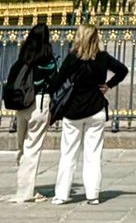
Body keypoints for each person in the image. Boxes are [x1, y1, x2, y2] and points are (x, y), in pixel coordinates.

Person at [49, 24, 127, 207]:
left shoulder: (73, 58)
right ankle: (93, 194)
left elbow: (57, 82)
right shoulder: (102, 57)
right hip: (96, 108)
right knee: (93, 154)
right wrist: (109, 85)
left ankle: (62, 194)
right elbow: (123, 70)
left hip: (74, 110)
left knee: (69, 154)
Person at [6, 20, 57, 203]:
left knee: (22, 146)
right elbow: (54, 80)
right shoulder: (47, 58)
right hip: (40, 102)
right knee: (32, 147)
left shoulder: (23, 56)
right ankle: (26, 191)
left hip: (22, 104)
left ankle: (22, 185)